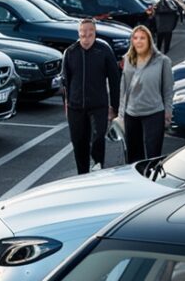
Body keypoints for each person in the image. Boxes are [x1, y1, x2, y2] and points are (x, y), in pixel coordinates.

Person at [61, 19, 121, 175]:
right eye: (83, 34)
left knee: (97, 139)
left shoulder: (103, 51)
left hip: (98, 106)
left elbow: (114, 80)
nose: (86, 37)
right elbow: (65, 83)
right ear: (79, 33)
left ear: (95, 33)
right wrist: (66, 104)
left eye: (90, 33)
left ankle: (98, 168)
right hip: (75, 107)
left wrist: (115, 107)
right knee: (79, 143)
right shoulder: (70, 52)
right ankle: (82, 174)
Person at [120, 24, 173, 163]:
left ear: (149, 40)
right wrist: (121, 114)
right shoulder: (128, 60)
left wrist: (168, 111)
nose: (139, 41)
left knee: (153, 155)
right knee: (133, 158)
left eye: (142, 38)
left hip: (154, 112)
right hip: (132, 113)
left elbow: (167, 89)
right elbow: (124, 88)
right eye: (135, 38)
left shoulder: (162, 61)